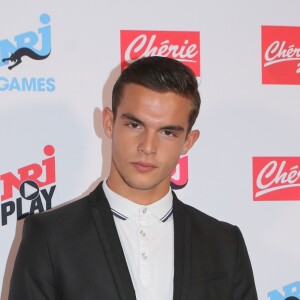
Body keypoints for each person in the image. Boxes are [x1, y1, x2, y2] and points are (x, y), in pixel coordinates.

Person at [8, 56, 258, 300]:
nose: (148, 147)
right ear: (109, 122)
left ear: (188, 142)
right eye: (135, 125)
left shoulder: (225, 244)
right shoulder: (50, 236)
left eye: (168, 132)